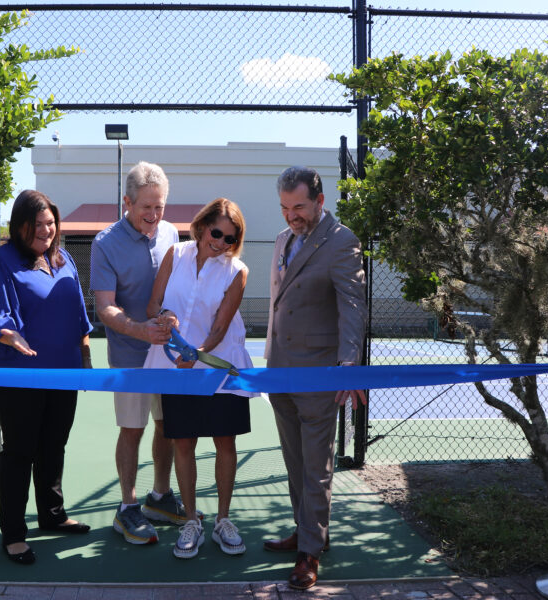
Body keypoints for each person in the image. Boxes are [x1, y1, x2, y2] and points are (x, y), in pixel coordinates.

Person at [263, 166, 367, 589]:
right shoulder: (282, 240)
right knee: (294, 462)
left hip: (320, 374)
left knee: (316, 467)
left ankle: (310, 552)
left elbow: (352, 308)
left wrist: (348, 365)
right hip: (280, 372)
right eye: (286, 208)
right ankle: (306, 531)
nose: (292, 216)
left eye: (300, 207)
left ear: (320, 201)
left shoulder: (342, 241)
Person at [0, 190, 93, 566]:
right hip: (19, 374)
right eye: (37, 224)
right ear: (21, 226)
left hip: (64, 371)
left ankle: (52, 514)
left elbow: (79, 315)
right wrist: (13, 336)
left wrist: (85, 357)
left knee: (54, 445)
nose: (46, 230)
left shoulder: (64, 259)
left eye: (50, 223)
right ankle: (13, 534)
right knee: (19, 452)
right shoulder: (0, 261)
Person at [91, 161, 198, 546]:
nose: (153, 217)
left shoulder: (171, 232)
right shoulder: (105, 244)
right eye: (145, 208)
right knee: (132, 430)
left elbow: (178, 288)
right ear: (127, 203)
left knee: (168, 427)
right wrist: (139, 330)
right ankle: (128, 506)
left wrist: (171, 318)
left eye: (160, 207)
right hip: (130, 357)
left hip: (168, 358)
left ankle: (159, 496)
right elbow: (104, 307)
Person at [143, 198, 256, 559]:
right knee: (184, 443)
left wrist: (197, 352)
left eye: (230, 238)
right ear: (202, 225)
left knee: (225, 443)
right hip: (177, 370)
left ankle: (223, 520)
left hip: (219, 368)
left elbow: (221, 325)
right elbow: (152, 305)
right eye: (217, 233)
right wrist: (166, 318)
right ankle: (191, 520)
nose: (221, 242)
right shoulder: (174, 254)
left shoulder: (237, 270)